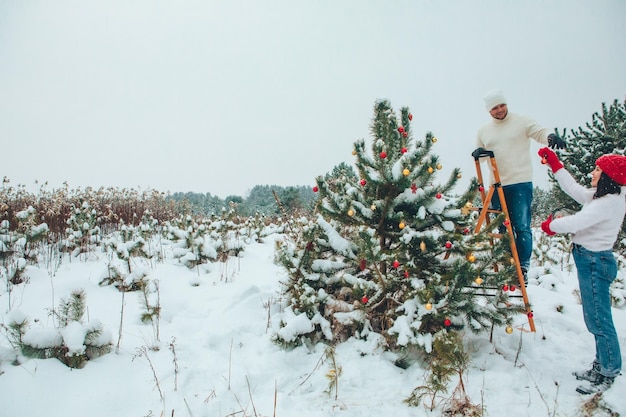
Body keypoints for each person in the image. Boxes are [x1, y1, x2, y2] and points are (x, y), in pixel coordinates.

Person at [539, 146, 625, 395]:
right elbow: (574, 190)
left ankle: (608, 371)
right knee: (594, 316)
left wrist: (551, 226)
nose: (592, 173)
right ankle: (601, 365)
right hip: (590, 260)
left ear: (608, 176)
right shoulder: (602, 197)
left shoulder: (609, 203)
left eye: (597, 170)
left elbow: (577, 222)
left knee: (598, 318)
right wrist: (556, 166)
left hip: (595, 262)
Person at [474, 89, 565, 282]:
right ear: (489, 111)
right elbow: (480, 157)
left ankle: (522, 266)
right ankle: (508, 262)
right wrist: (478, 153)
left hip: (520, 182)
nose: (499, 110)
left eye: (502, 105)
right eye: (494, 108)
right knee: (502, 226)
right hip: (497, 185)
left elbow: (539, 131)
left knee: (521, 226)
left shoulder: (521, 121)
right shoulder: (484, 130)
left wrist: (550, 137)